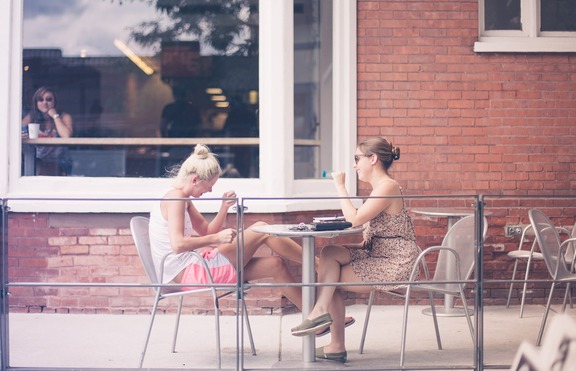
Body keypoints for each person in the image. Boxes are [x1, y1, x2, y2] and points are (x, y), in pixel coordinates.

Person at [290, 137, 421, 363]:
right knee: (330, 254)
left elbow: (354, 219)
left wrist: (340, 186)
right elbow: (378, 234)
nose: (354, 165)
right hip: (377, 253)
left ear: (373, 159)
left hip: (395, 262)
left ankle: (331, 335)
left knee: (331, 279)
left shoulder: (388, 187)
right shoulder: (380, 188)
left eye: (357, 159)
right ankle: (326, 325)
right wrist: (349, 248)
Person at [148, 144, 305, 309]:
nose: (209, 191)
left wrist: (223, 207)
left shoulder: (181, 198)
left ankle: (313, 317)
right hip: (194, 273)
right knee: (262, 228)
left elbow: (206, 230)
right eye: (209, 186)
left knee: (276, 265)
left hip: (196, 268)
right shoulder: (176, 199)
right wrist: (217, 238)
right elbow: (178, 244)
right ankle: (316, 264)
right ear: (195, 180)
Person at [22, 86, 74, 175]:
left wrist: (55, 116)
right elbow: (17, 129)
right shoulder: (32, 117)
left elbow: (66, 136)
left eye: (49, 99)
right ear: (36, 103)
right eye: (40, 100)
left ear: (55, 102)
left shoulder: (64, 116)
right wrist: (21, 134)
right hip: (37, 163)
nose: (44, 102)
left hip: (59, 164)